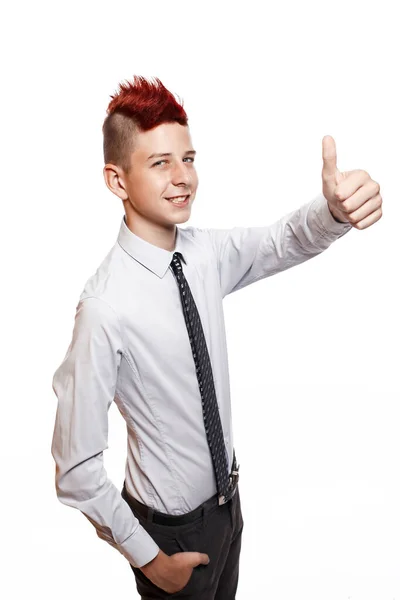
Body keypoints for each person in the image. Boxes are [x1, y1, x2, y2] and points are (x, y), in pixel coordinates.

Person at [50, 75, 383, 600]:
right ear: (117, 180)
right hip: (170, 533)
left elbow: (281, 241)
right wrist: (152, 561)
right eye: (160, 162)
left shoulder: (202, 256)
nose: (183, 177)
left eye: (188, 158)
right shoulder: (104, 308)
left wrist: (334, 213)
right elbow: (76, 468)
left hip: (229, 509)